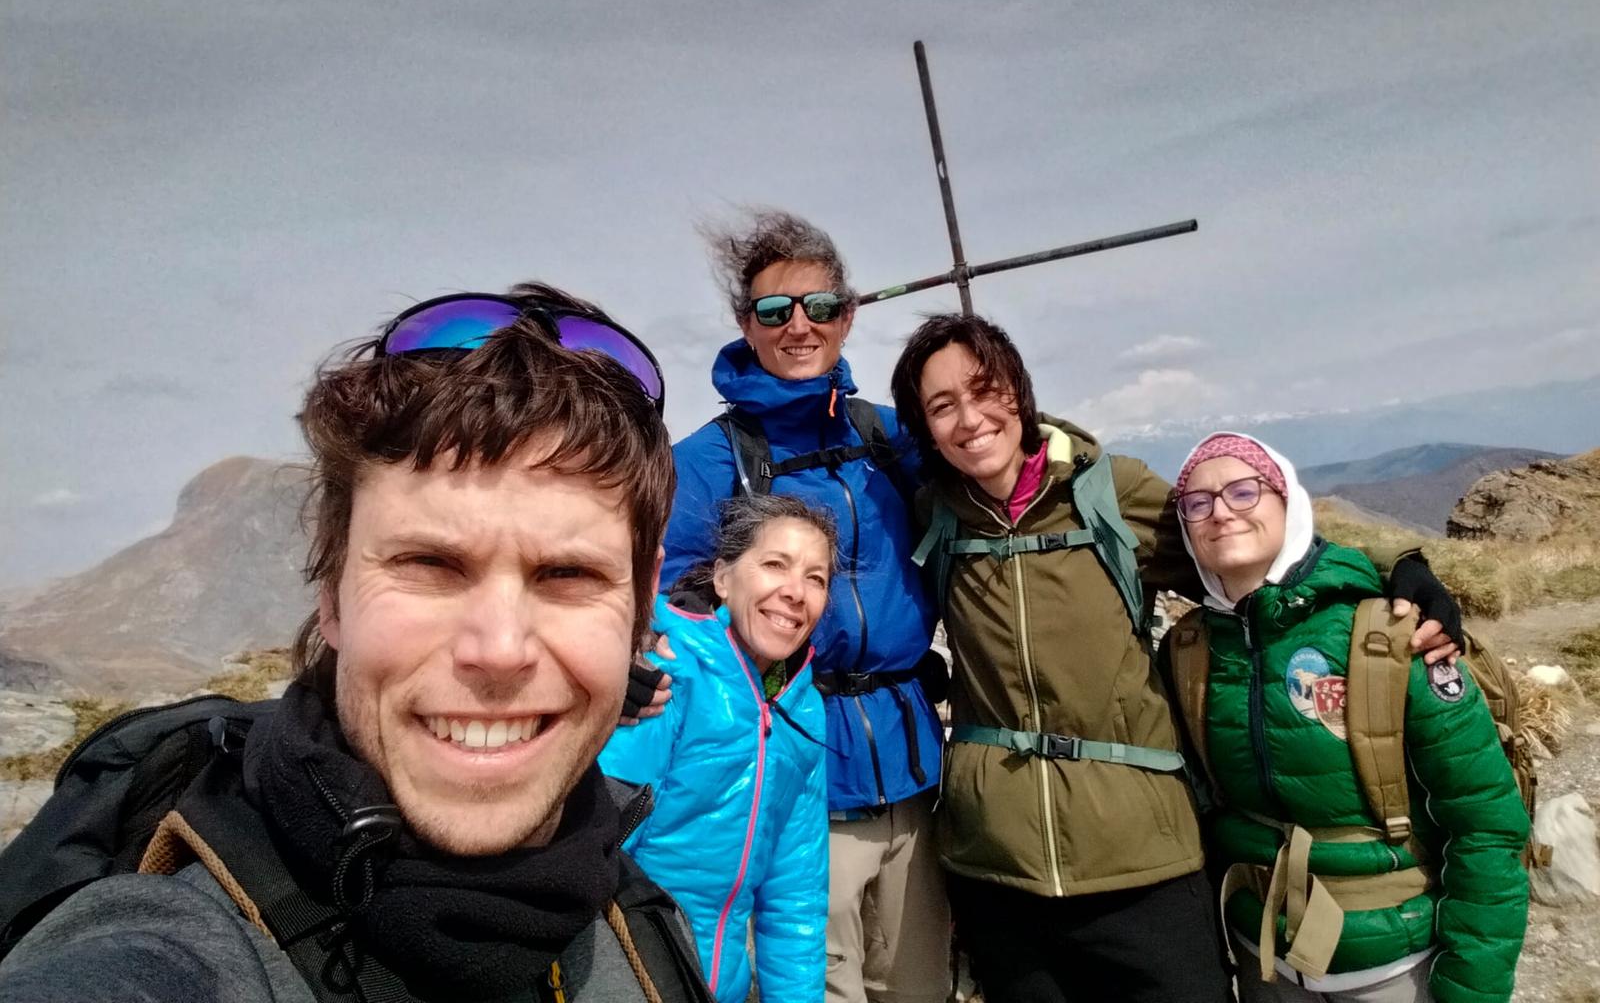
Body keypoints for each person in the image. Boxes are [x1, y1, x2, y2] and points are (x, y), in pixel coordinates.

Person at [0, 284, 714, 1003]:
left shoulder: (643, 925)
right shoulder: (171, 955)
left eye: (567, 573)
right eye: (429, 564)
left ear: (641, 601)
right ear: (332, 587)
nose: (499, 649)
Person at [886, 313, 1465, 1003]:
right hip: (997, 862)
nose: (970, 418)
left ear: (1019, 391)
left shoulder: (1107, 492)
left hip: (1143, 856)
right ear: (923, 427)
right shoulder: (933, 514)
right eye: (942, 406)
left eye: (986, 391)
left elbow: (1249, 544)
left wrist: (1398, 566)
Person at [643, 211, 950, 1003]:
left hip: (915, 776)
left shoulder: (888, 438)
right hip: (798, 774)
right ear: (748, 325)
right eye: (775, 312)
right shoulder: (705, 465)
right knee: (817, 985)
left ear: (848, 313)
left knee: (918, 985)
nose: (800, 326)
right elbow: (661, 608)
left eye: (820, 306)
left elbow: (984, 483)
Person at [1165, 433, 1528, 1003]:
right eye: (1198, 502)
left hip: (1395, 967)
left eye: (1243, 491)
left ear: (1290, 502)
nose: (1221, 513)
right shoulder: (1191, 651)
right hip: (1262, 956)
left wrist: (1472, 987)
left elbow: (1486, 824)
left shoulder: (1393, 634)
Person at [601, 494, 835, 1003]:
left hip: (718, 983)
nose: (795, 592)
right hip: (631, 969)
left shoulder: (804, 708)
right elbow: (602, 845)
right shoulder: (668, 666)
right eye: (775, 564)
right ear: (724, 578)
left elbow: (795, 897)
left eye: (816, 579)